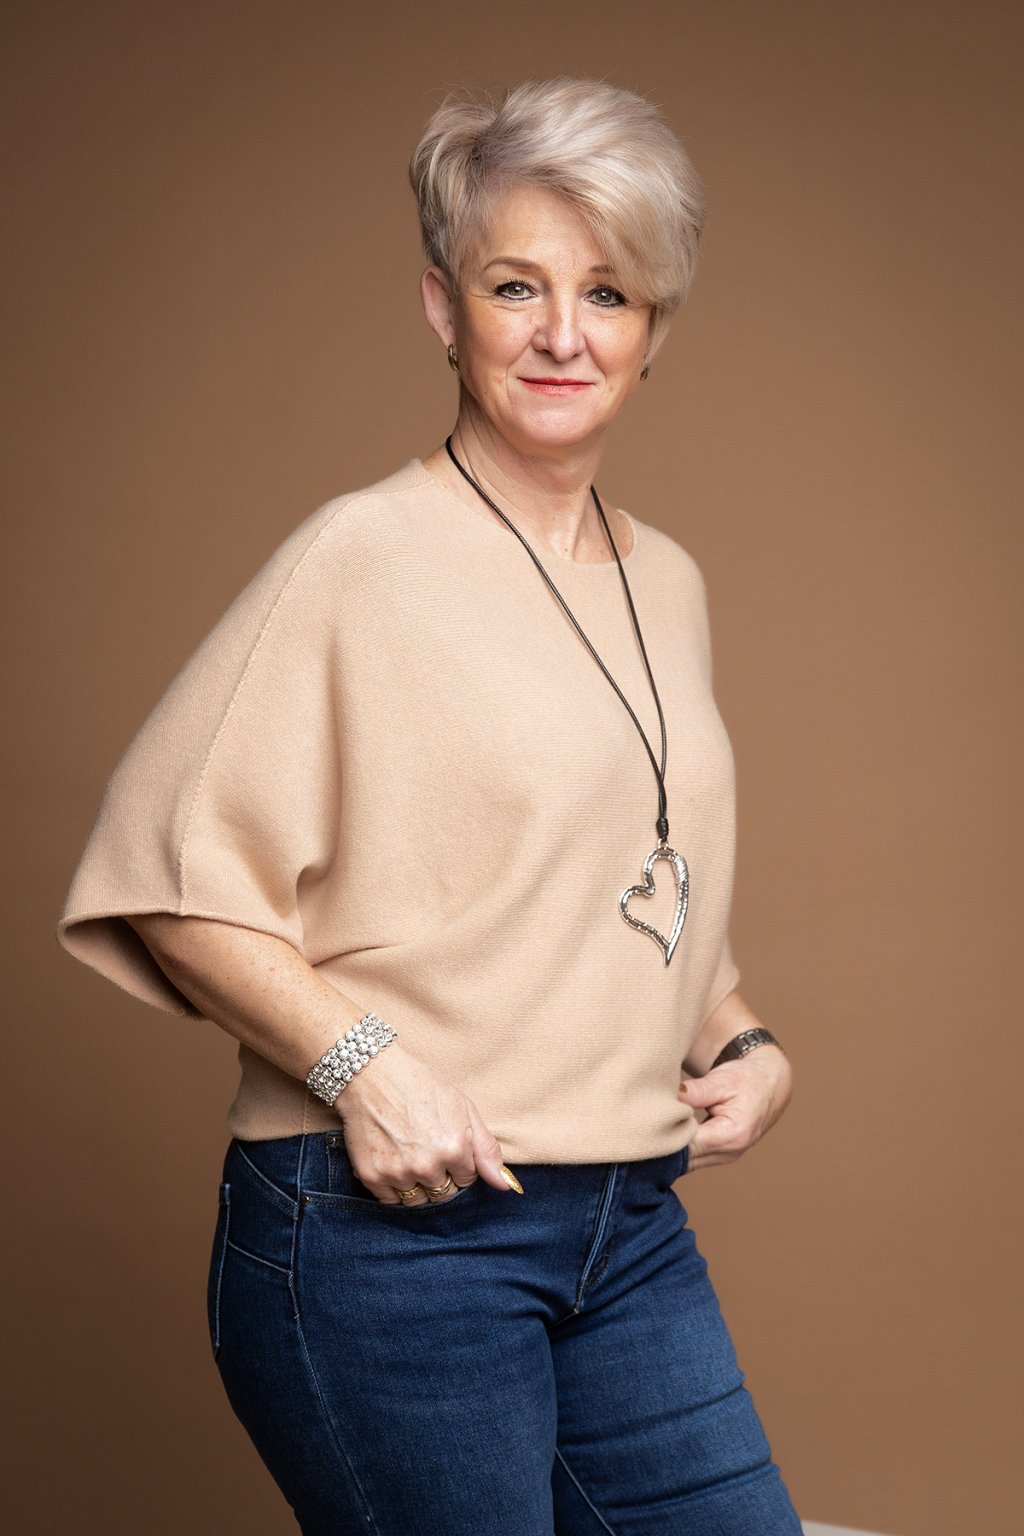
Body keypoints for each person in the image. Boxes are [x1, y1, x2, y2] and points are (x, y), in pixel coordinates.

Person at [57, 77, 801, 1535]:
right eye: (515, 286)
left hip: (627, 1220)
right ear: (442, 310)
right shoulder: (360, 557)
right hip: (387, 1236)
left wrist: (743, 1039)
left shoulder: (669, 580)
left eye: (608, 293)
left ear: (653, 332)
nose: (563, 333)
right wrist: (364, 1069)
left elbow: (617, 871)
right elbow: (168, 882)